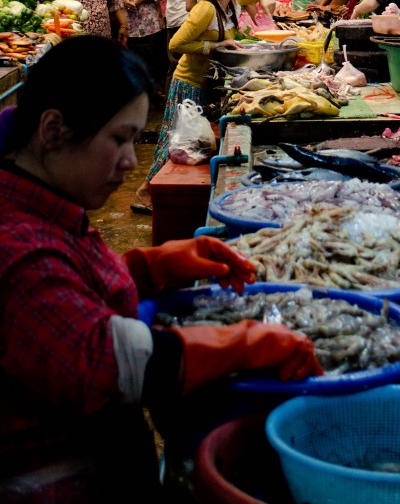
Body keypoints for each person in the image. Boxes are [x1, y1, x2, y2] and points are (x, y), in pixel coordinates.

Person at [0, 35, 322, 500]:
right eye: (119, 139)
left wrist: (149, 267)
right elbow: (107, 364)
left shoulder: (39, 198)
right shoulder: (18, 248)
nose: (131, 161)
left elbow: (67, 292)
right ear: (52, 130)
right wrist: (241, 341)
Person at [133, 0, 255, 211]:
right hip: (187, 83)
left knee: (192, 143)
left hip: (206, 82)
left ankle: (168, 194)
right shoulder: (206, 9)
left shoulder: (229, 2)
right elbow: (175, 44)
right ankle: (146, 191)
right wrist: (215, 45)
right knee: (175, 140)